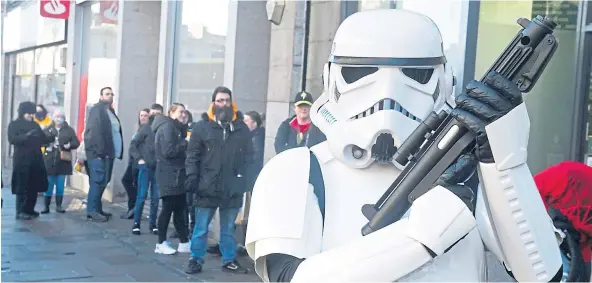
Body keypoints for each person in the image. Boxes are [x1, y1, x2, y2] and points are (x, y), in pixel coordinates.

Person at [245, 10, 565, 282]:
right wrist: (420, 238)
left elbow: (541, 274)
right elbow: (290, 276)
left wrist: (505, 159)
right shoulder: (298, 169)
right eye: (362, 72)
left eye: (415, 73)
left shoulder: (468, 173)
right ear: (332, 78)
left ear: (443, 79)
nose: (388, 92)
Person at [184, 86, 253, 274]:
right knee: (201, 228)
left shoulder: (241, 128)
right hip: (206, 186)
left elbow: (249, 157)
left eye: (227, 100)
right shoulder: (202, 127)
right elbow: (192, 155)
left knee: (228, 228)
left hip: (232, 187)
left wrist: (246, 181)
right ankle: (195, 259)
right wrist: (192, 177)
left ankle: (228, 259)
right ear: (213, 103)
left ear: (231, 103)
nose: (223, 104)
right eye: (220, 100)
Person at [152, 103, 191, 254]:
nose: (183, 115)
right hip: (169, 175)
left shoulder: (176, 128)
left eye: (185, 112)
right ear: (171, 113)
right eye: (181, 112)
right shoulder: (168, 127)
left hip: (177, 175)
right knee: (168, 209)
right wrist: (185, 144)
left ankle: (184, 241)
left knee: (179, 209)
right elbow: (169, 151)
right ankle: (161, 243)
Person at [8, 102, 55, 220]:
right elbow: (12, 139)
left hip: (36, 159)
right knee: (22, 186)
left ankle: (30, 209)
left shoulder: (35, 124)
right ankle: (20, 211)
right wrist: (27, 136)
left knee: (33, 185)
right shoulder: (14, 124)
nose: (30, 115)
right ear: (22, 113)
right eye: (28, 113)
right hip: (22, 160)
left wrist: (51, 136)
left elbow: (43, 139)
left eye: (32, 113)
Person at [84, 87, 124, 222]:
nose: (110, 96)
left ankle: (97, 208)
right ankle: (92, 211)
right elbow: (94, 132)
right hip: (99, 154)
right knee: (97, 181)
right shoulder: (97, 110)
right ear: (101, 96)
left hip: (109, 153)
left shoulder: (109, 110)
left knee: (104, 181)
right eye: (107, 94)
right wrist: (100, 153)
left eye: (112, 94)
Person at [41, 110, 80, 214]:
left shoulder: (69, 130)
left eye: (61, 116)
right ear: (53, 118)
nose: (59, 118)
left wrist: (68, 145)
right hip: (49, 161)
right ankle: (46, 207)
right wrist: (48, 144)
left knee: (60, 185)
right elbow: (41, 141)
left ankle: (59, 206)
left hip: (63, 162)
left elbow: (76, 142)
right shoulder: (48, 129)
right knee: (48, 185)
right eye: (57, 116)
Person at [130, 108, 159, 235]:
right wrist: (139, 159)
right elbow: (133, 144)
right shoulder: (146, 128)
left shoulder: (162, 129)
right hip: (146, 166)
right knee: (142, 196)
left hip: (158, 167)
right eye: (153, 114)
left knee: (156, 197)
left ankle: (153, 224)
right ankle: (136, 223)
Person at [120, 109, 151, 219]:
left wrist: (139, 159)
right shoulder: (140, 129)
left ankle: (133, 209)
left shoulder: (148, 130)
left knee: (131, 183)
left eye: (145, 116)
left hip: (139, 162)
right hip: (133, 162)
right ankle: (132, 208)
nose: (142, 117)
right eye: (141, 115)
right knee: (129, 182)